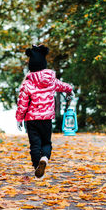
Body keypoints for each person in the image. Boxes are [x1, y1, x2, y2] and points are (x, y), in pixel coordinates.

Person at [16, 45, 73, 178]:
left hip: (31, 120)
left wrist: (19, 119)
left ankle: (37, 168)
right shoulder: (51, 80)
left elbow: (22, 103)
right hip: (46, 119)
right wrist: (70, 90)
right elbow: (63, 86)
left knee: (35, 145)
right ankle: (44, 159)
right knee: (46, 143)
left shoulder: (27, 83)